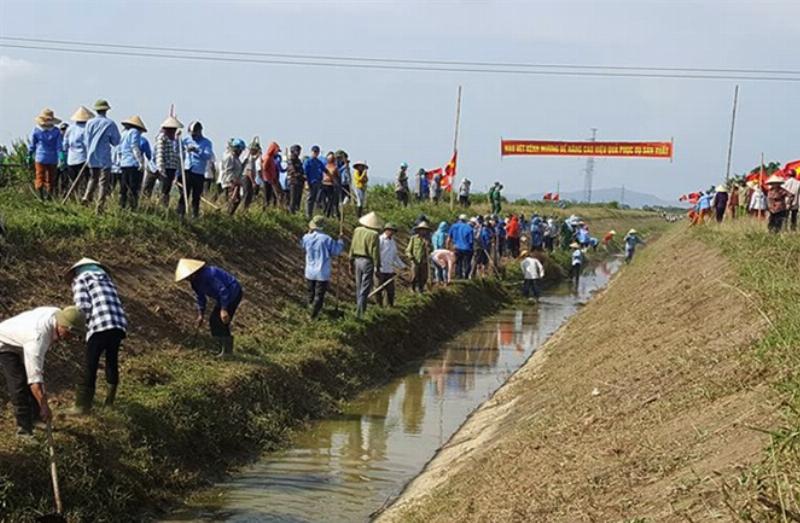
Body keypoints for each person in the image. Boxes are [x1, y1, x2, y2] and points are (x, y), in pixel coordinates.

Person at [0, 306, 85, 437]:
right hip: (4, 343)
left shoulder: (58, 314)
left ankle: (36, 419)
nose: (73, 338)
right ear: (64, 327)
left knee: (32, 379)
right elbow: (35, 381)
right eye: (72, 335)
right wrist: (44, 406)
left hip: (22, 340)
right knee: (18, 383)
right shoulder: (38, 339)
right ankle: (24, 430)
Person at [67, 258, 128, 414]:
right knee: (111, 361)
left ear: (76, 271)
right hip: (118, 323)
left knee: (90, 364)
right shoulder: (106, 280)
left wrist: (78, 328)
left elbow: (83, 307)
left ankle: (82, 406)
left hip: (100, 324)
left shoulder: (81, 279)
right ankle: (109, 403)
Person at [175, 259, 242, 357]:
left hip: (232, 293)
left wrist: (224, 309)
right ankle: (219, 347)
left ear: (193, 273)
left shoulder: (209, 274)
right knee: (213, 320)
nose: (187, 280)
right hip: (222, 296)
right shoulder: (195, 283)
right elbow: (201, 297)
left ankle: (227, 351)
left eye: (187, 277)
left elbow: (223, 291)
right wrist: (201, 314)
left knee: (221, 320)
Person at [302, 215, 345, 319]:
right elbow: (337, 251)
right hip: (322, 271)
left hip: (310, 270)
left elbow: (303, 245)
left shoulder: (306, 237)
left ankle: (310, 309)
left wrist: (308, 233)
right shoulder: (327, 239)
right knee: (319, 294)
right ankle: (313, 315)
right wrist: (340, 241)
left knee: (310, 292)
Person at [82, 99, 121, 213]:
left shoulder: (89, 123)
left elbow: (86, 139)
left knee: (92, 178)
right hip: (104, 157)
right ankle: (99, 206)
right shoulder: (110, 123)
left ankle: (87, 197)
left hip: (91, 156)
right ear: (106, 110)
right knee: (103, 182)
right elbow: (116, 141)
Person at [142, 115, 182, 207]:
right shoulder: (162, 137)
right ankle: (145, 206)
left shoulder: (176, 140)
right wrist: (161, 170)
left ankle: (163, 209)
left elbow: (177, 156)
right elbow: (160, 154)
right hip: (156, 167)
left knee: (165, 191)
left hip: (170, 168)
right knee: (147, 189)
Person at [349, 211, 383, 317]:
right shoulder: (374, 234)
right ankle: (360, 312)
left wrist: (350, 260)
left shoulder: (357, 230)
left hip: (357, 260)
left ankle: (358, 309)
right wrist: (377, 266)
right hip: (367, 261)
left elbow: (352, 246)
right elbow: (375, 251)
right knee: (365, 287)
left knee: (359, 285)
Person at [179, 121, 214, 219]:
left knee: (196, 195)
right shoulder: (186, 140)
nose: (193, 136)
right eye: (191, 134)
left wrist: (197, 150)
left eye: (194, 134)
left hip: (198, 172)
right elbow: (178, 149)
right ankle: (180, 214)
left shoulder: (206, 143)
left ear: (199, 131)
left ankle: (195, 215)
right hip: (187, 170)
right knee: (184, 193)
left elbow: (208, 156)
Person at [30, 108, 63, 201]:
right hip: (53, 158)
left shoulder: (37, 130)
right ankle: (49, 197)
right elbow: (59, 146)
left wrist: (29, 155)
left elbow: (32, 145)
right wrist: (61, 156)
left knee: (39, 176)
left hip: (40, 157)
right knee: (51, 178)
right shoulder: (56, 131)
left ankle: (40, 196)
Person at [63, 106, 94, 199]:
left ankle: (74, 198)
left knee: (73, 181)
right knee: (84, 181)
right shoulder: (87, 129)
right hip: (83, 159)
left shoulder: (70, 129)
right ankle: (81, 198)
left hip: (71, 159)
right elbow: (87, 144)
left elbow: (65, 144)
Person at [118, 116, 148, 210]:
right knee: (133, 187)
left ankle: (122, 206)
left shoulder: (124, 133)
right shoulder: (134, 132)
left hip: (124, 163)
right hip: (132, 163)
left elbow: (119, 149)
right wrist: (140, 162)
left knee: (123, 187)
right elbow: (134, 147)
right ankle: (132, 207)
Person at [377, 223, 406, 307]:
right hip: (380, 269)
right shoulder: (380, 240)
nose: (391, 232)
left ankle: (390, 305)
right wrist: (376, 266)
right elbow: (376, 254)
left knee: (390, 290)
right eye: (390, 230)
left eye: (393, 231)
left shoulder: (392, 241)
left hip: (389, 270)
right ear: (386, 230)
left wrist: (402, 266)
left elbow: (395, 256)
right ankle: (379, 306)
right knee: (379, 289)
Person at [219, 139, 246, 215]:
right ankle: (226, 215)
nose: (241, 152)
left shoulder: (236, 158)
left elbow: (239, 169)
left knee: (236, 200)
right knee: (232, 200)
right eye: (240, 150)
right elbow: (228, 171)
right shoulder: (229, 157)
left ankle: (229, 215)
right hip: (229, 183)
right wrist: (232, 183)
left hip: (236, 182)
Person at [406, 221, 431, 293]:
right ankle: (412, 288)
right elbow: (408, 250)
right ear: (419, 230)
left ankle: (421, 289)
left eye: (425, 230)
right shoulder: (414, 238)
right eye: (422, 230)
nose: (424, 231)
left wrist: (428, 246)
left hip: (424, 261)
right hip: (415, 260)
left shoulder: (427, 240)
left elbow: (430, 250)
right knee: (414, 275)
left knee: (423, 276)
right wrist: (411, 257)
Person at [448, 214, 474, 279]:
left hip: (457, 248)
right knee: (467, 263)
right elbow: (471, 241)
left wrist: (448, 247)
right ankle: (466, 276)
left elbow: (449, 238)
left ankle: (459, 276)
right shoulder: (469, 228)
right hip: (467, 248)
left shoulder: (453, 226)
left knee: (458, 262)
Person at [303, 145, 326, 218]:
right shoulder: (308, 161)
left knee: (315, 199)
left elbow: (324, 169)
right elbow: (305, 173)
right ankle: (307, 215)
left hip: (317, 182)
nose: (315, 153)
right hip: (310, 182)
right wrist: (306, 183)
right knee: (309, 198)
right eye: (314, 152)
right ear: (312, 152)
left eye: (317, 152)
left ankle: (312, 214)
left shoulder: (318, 162)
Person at [240, 139, 261, 211]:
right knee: (247, 194)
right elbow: (249, 171)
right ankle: (243, 210)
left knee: (249, 194)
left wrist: (258, 156)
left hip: (247, 177)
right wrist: (253, 182)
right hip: (246, 178)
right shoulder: (249, 158)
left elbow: (255, 159)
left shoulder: (250, 157)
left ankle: (245, 209)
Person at [284, 144, 305, 214]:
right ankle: (291, 214)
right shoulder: (291, 160)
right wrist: (300, 175)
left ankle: (296, 213)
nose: (298, 152)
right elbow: (293, 171)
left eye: (299, 151)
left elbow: (301, 171)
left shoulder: (298, 161)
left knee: (298, 200)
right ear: (292, 151)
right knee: (292, 200)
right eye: (297, 151)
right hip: (293, 182)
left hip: (299, 182)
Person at [322, 151, 340, 218]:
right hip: (324, 184)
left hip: (331, 185)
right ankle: (325, 213)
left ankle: (328, 214)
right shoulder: (325, 166)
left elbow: (338, 176)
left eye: (332, 158)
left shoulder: (335, 167)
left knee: (331, 201)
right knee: (325, 201)